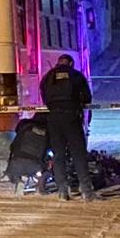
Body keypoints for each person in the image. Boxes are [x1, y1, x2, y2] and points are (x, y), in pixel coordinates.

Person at [39, 54, 96, 201]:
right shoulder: (76, 75)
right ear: (71, 64)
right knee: (78, 153)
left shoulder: (48, 77)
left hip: (53, 118)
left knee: (58, 155)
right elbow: (87, 97)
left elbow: (44, 97)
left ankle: (62, 191)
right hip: (71, 117)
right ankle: (86, 191)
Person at [7, 114, 50, 196]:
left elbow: (12, 146)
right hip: (35, 166)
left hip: (16, 164)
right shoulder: (48, 131)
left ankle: (18, 181)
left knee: (15, 169)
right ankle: (40, 186)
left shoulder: (24, 124)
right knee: (48, 170)